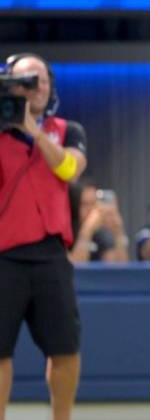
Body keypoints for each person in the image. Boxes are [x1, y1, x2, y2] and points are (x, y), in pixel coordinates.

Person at [0, 53, 87, 420]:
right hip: (4, 256)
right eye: (26, 80)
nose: (36, 87)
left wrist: (33, 129)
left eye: (42, 80)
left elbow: (68, 169)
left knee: (65, 348)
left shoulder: (67, 130)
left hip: (51, 254)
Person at [68, 179, 129, 263]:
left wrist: (118, 233)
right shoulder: (64, 234)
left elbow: (119, 270)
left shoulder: (101, 234)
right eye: (85, 204)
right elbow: (75, 270)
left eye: (94, 203)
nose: (91, 210)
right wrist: (87, 231)